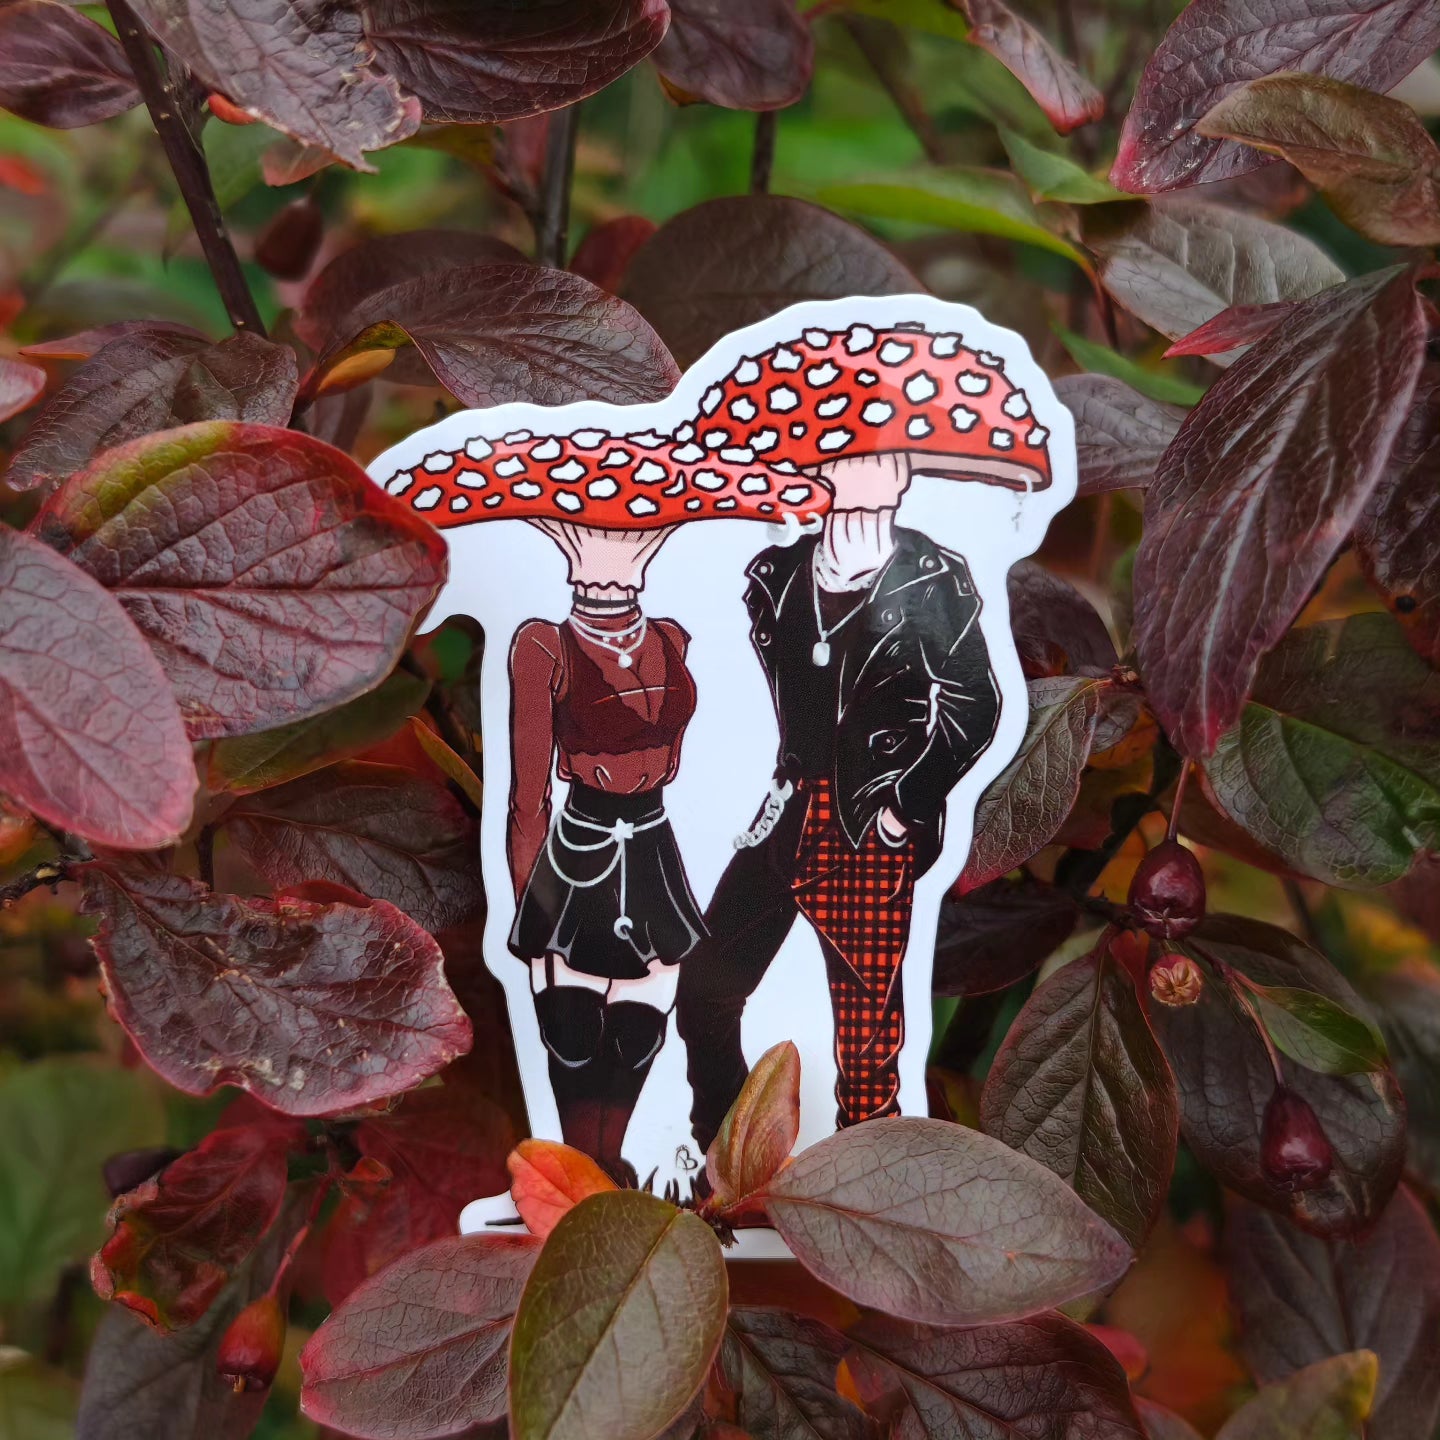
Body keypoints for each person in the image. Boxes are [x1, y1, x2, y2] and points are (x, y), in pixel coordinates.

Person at [373, 422, 829, 1182]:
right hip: (576, 845)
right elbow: (527, 787)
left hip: (651, 842)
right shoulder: (542, 646)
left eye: (638, 540)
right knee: (571, 1024)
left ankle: (612, 1161)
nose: (615, 555)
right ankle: (578, 1166)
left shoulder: (673, 639)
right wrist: (527, 897)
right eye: (591, 538)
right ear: (562, 538)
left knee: (642, 1023)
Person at [674, 320, 1053, 1153]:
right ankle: (722, 1148)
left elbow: (974, 704)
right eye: (851, 449)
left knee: (867, 1039)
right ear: (822, 460)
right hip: (786, 811)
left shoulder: (932, 575)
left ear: (909, 466)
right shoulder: (776, 575)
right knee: (705, 988)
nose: (870, 467)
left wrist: (904, 802)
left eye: (887, 453)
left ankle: (860, 1183)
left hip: (866, 823)